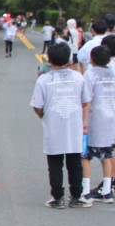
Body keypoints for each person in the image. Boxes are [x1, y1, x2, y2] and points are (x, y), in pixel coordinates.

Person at [31, 43, 91, 208]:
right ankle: (76, 196)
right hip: (74, 125)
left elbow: (37, 105)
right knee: (75, 162)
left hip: (53, 125)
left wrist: (43, 116)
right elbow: (86, 101)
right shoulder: (78, 77)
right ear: (69, 59)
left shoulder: (44, 80)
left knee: (55, 163)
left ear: (49, 60)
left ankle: (57, 198)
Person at [82, 45, 115, 203]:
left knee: (85, 156)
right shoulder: (112, 73)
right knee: (107, 155)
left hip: (95, 119)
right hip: (111, 118)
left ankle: (85, 191)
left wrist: (83, 122)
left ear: (91, 59)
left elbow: (87, 100)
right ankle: (107, 192)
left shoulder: (90, 74)